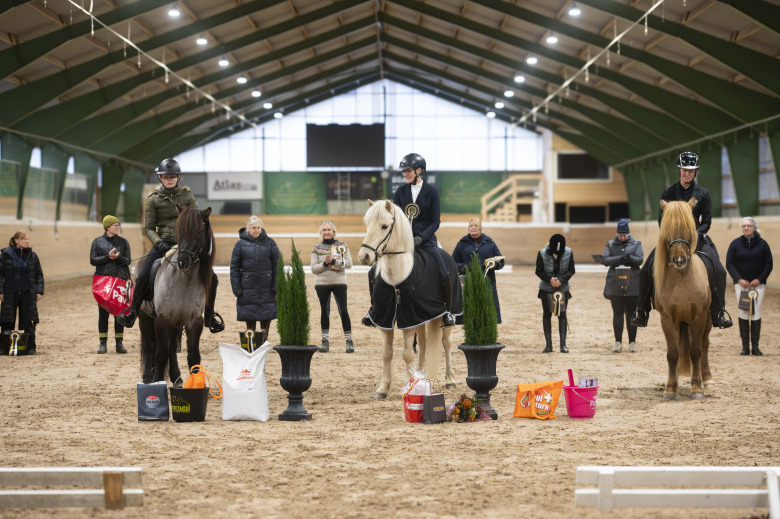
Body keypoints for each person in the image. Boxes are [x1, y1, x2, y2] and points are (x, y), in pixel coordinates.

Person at [117, 158, 223, 333]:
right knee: (143, 275)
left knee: (213, 278)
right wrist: (158, 242)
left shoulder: (187, 196)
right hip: (163, 243)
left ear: (178, 178)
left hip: (186, 246)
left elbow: (197, 222)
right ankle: (133, 311)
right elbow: (149, 228)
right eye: (166, 177)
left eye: (173, 177)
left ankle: (210, 316)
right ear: (160, 178)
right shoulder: (153, 200)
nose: (170, 179)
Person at [631, 151, 732, 329]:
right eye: (685, 170)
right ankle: (642, 309)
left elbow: (707, 221)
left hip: (696, 239)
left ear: (695, 172)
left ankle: (719, 312)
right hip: (672, 241)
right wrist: (671, 236)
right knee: (646, 269)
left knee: (720, 271)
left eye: (691, 171)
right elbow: (661, 221)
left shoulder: (703, 194)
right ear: (679, 170)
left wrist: (694, 234)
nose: (687, 174)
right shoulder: (669, 192)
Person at [362, 153, 455, 328]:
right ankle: (374, 309)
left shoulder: (432, 192)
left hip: (425, 241)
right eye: (404, 171)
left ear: (419, 170)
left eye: (408, 171)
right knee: (372, 273)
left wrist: (422, 237)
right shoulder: (400, 192)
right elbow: (395, 218)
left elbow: (435, 221)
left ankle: (446, 311)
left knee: (444, 271)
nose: (405, 174)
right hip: (403, 242)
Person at [726, 216, 773, 356]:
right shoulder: (735, 244)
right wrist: (738, 279)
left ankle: (756, 347)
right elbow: (730, 264)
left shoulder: (763, 244)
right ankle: (745, 347)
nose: (746, 228)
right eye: (744, 226)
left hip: (757, 286)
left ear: (754, 227)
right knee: (743, 312)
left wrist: (759, 279)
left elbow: (768, 264)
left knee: (756, 312)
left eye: (749, 226)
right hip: (742, 285)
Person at [229, 215, 279, 347]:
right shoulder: (240, 245)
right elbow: (234, 268)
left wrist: (276, 284)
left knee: (266, 318)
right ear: (248, 228)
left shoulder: (270, 243)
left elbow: (277, 265)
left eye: (258, 228)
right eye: (253, 228)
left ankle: (263, 343)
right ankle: (250, 345)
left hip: (266, 288)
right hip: (247, 288)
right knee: (249, 318)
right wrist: (236, 288)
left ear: (261, 228)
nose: (256, 230)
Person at [90, 215, 131, 354]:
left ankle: (119, 343)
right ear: (108, 227)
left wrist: (118, 257)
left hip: (120, 280)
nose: (118, 228)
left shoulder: (124, 242)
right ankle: (103, 343)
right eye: (115, 226)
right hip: (104, 282)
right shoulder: (97, 242)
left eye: (119, 225)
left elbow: (128, 260)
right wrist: (107, 257)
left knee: (119, 312)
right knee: (103, 313)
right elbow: (93, 260)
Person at [311, 220, 354, 353]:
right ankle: (325, 341)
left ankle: (349, 341)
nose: (327, 232)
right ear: (321, 232)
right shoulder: (316, 248)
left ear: (333, 232)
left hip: (339, 282)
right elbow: (313, 269)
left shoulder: (342, 245)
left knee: (344, 311)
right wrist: (325, 263)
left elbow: (349, 263)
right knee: (325, 311)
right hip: (321, 284)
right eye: (324, 230)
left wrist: (334, 261)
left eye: (329, 230)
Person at [601, 219, 644, 353]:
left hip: (632, 284)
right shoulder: (610, 244)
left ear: (628, 234)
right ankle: (618, 342)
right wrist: (621, 258)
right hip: (615, 285)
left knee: (632, 314)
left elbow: (640, 260)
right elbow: (605, 260)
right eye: (620, 235)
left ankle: (632, 342)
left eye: (624, 235)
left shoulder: (636, 243)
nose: (622, 237)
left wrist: (629, 258)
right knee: (617, 313)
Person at [451, 217, 504, 323]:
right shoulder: (461, 243)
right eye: (471, 226)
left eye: (476, 226)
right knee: (469, 311)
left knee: (486, 311)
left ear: (480, 228)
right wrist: (462, 267)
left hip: (487, 281)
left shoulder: (490, 243)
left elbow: (501, 261)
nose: (473, 228)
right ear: (468, 228)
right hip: (467, 281)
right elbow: (453, 262)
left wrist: (494, 264)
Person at [0, 232, 44, 355]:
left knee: (28, 320)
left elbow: (38, 275)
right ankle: (4, 347)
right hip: (10, 293)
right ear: (16, 241)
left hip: (27, 293)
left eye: (28, 239)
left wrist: (39, 291)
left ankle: (30, 347)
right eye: (24, 239)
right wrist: (1, 291)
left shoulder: (33, 256)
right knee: (7, 320)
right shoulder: (5, 255)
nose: (27, 241)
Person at [536, 234, 574, 353]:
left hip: (562, 289)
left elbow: (571, 270)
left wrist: (561, 280)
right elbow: (539, 271)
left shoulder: (568, 252)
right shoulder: (542, 253)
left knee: (562, 315)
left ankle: (563, 345)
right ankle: (548, 345)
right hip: (546, 289)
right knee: (546, 315)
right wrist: (550, 279)